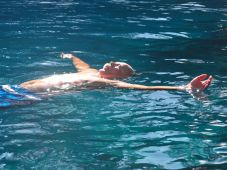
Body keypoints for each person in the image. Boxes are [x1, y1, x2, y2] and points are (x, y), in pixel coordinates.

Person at [0, 53, 212, 107]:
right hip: (12, 88)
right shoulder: (91, 72)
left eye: (118, 66)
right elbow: (80, 65)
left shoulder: (106, 82)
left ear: (120, 76)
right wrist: (71, 56)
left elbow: (142, 87)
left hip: (23, 96)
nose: (112, 63)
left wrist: (183, 87)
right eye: (114, 62)